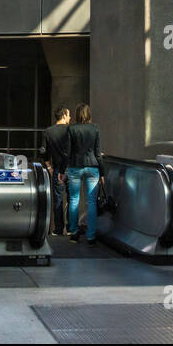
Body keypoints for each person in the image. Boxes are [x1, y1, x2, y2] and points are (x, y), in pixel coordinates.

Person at [64, 103, 105, 246]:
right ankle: (91, 236)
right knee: (92, 202)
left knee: (74, 200)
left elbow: (67, 152)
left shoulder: (71, 129)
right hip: (92, 167)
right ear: (89, 114)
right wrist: (103, 172)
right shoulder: (95, 128)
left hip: (75, 167)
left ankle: (74, 233)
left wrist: (63, 169)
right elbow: (98, 153)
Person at [41, 106, 70, 236]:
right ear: (64, 115)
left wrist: (49, 167)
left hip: (57, 169)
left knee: (58, 200)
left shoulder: (48, 131)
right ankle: (71, 228)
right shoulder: (71, 130)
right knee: (73, 199)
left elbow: (43, 151)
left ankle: (58, 229)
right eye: (69, 115)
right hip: (72, 168)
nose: (70, 118)